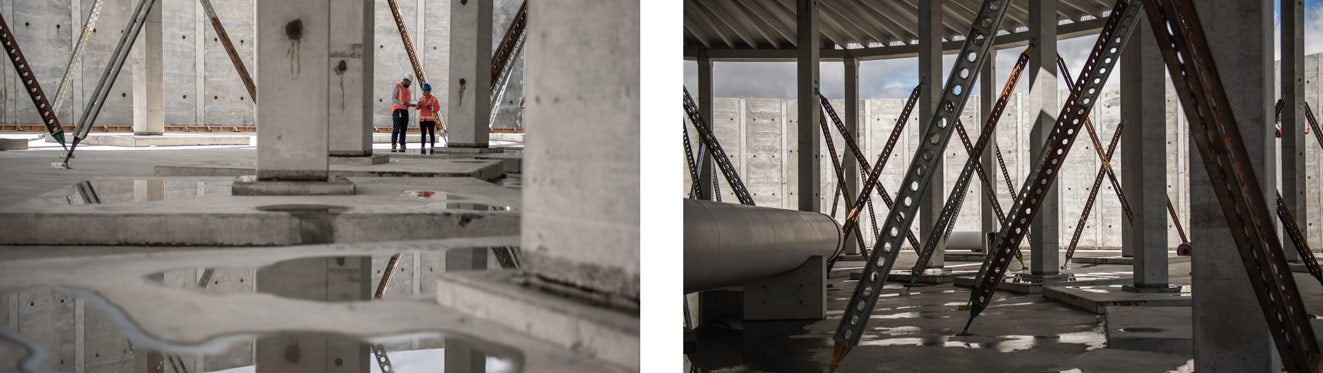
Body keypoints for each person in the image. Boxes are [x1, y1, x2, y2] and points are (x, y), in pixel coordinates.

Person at [389, 74, 415, 152]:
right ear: (405, 81)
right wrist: (403, 103)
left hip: (405, 111)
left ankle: (402, 144)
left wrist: (412, 104)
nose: (409, 85)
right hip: (397, 110)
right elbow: (393, 98)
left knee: (403, 129)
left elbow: (407, 101)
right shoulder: (397, 86)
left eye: (410, 83)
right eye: (408, 83)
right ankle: (393, 145)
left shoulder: (408, 89)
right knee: (396, 128)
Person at [416, 83, 442, 154]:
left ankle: (432, 146)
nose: (425, 92)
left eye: (426, 91)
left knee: (431, 133)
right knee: (423, 134)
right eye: (424, 91)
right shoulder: (421, 99)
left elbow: (437, 108)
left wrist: (430, 108)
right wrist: (418, 104)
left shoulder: (434, 99)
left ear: (429, 91)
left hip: (431, 120)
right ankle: (423, 146)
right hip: (422, 120)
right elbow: (417, 108)